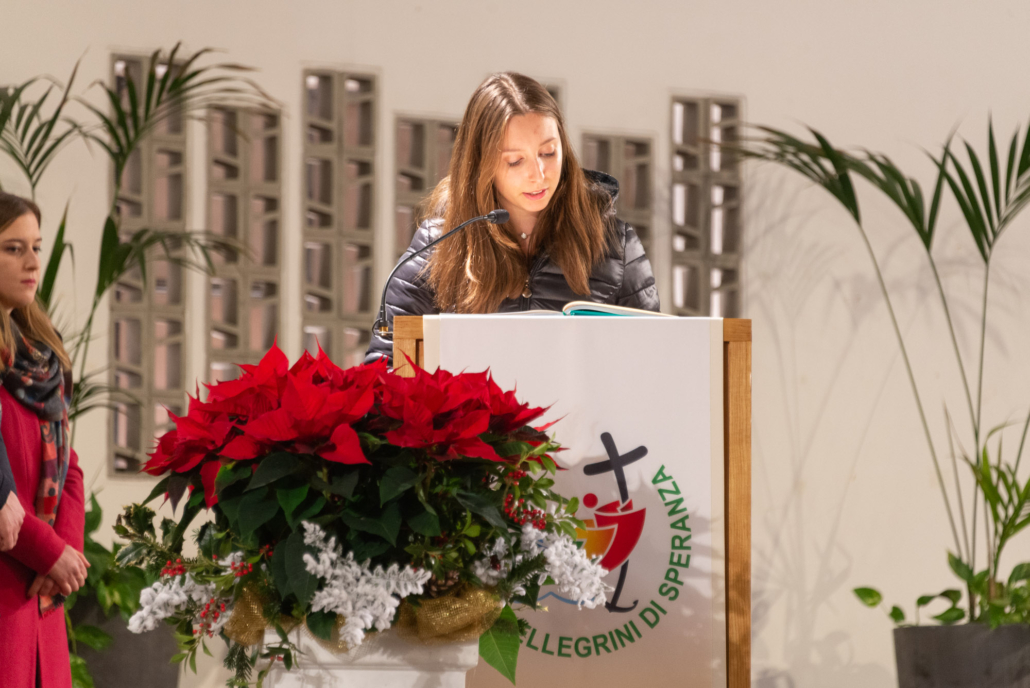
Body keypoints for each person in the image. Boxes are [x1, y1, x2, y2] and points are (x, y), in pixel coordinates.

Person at [365, 72, 659, 365]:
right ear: (481, 163)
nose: (538, 175)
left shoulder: (616, 245)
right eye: (515, 161)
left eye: (548, 153)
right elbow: (386, 370)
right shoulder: (438, 245)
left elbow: (654, 360)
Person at [0, 192, 88, 688]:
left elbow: (70, 466)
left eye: (36, 246)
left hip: (41, 594)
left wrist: (64, 553)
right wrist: (47, 551)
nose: (33, 262)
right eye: (14, 249)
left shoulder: (39, 360)